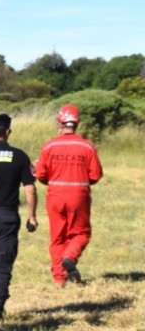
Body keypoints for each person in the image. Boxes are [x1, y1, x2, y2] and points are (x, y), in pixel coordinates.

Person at [0, 113, 38, 322]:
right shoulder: (19, 156)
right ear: (8, 132)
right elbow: (30, 189)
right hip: (7, 216)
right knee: (3, 263)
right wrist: (32, 216)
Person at [34, 105, 103, 286]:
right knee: (81, 233)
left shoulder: (49, 146)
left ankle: (59, 278)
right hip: (79, 196)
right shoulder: (87, 146)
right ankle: (70, 257)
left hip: (55, 196)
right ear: (77, 123)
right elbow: (95, 175)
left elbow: (40, 175)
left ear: (59, 122)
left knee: (57, 238)